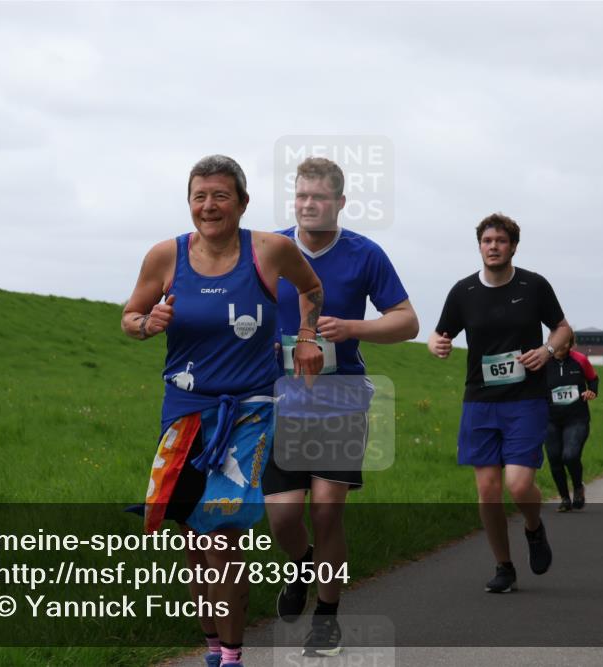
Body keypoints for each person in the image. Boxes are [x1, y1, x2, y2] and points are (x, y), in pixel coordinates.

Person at [121, 155, 323, 667]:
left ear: (243, 202)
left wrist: (304, 336)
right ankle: (214, 649)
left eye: (220, 196)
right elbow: (129, 317)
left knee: (222, 538)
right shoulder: (165, 256)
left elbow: (311, 289)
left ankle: (231, 657)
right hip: (186, 414)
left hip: (249, 413)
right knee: (194, 543)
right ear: (189, 203)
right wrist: (151, 323)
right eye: (199, 197)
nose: (208, 206)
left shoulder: (270, 250)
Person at [263, 157, 418, 656]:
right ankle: (303, 563)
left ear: (340, 203)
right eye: (301, 196)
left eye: (319, 197)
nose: (309, 205)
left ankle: (326, 620)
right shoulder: (269, 251)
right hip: (280, 401)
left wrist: (354, 328)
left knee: (328, 510)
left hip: (340, 398)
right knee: (283, 519)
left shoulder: (364, 255)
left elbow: (407, 321)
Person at [429, 213, 571, 594]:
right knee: (489, 491)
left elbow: (563, 329)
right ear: (479, 246)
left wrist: (546, 350)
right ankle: (504, 565)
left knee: (519, 483)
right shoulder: (464, 292)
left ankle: (533, 528)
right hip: (480, 400)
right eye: (487, 241)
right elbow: (440, 333)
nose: (493, 246)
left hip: (525, 399)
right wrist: (437, 343)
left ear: (513, 246)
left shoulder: (534, 285)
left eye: (501, 241)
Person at [544, 332, 598, 511]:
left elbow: (593, 379)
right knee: (554, 458)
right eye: (557, 340)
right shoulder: (543, 361)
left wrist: (592, 392)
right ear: (550, 341)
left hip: (576, 418)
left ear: (571, 343)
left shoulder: (580, 360)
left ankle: (577, 487)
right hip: (550, 419)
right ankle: (565, 498)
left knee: (570, 455)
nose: (561, 345)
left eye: (566, 341)